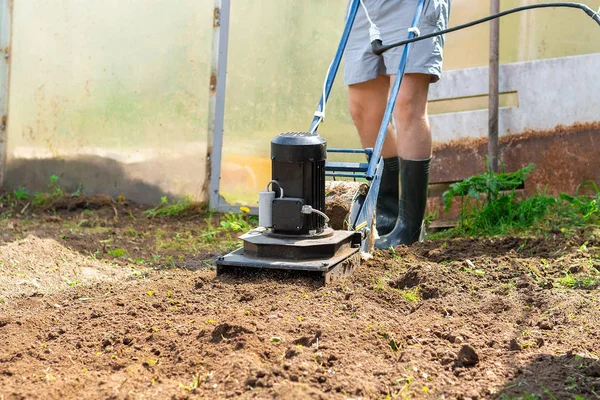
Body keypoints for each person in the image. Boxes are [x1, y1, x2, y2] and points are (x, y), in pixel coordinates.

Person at [343, 0, 451, 248]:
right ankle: (386, 216)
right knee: (363, 109)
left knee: (406, 104)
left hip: (411, 5)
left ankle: (410, 228)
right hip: (364, 6)